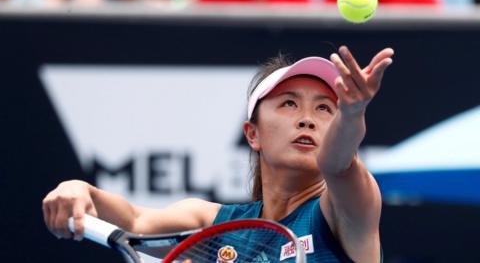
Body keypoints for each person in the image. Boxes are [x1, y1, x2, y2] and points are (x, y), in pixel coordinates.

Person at [42, 45, 394, 262]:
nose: (307, 119)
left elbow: (338, 164)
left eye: (324, 109)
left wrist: (351, 114)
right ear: (252, 134)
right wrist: (81, 190)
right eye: (289, 104)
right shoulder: (213, 224)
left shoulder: (348, 210)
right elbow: (135, 223)